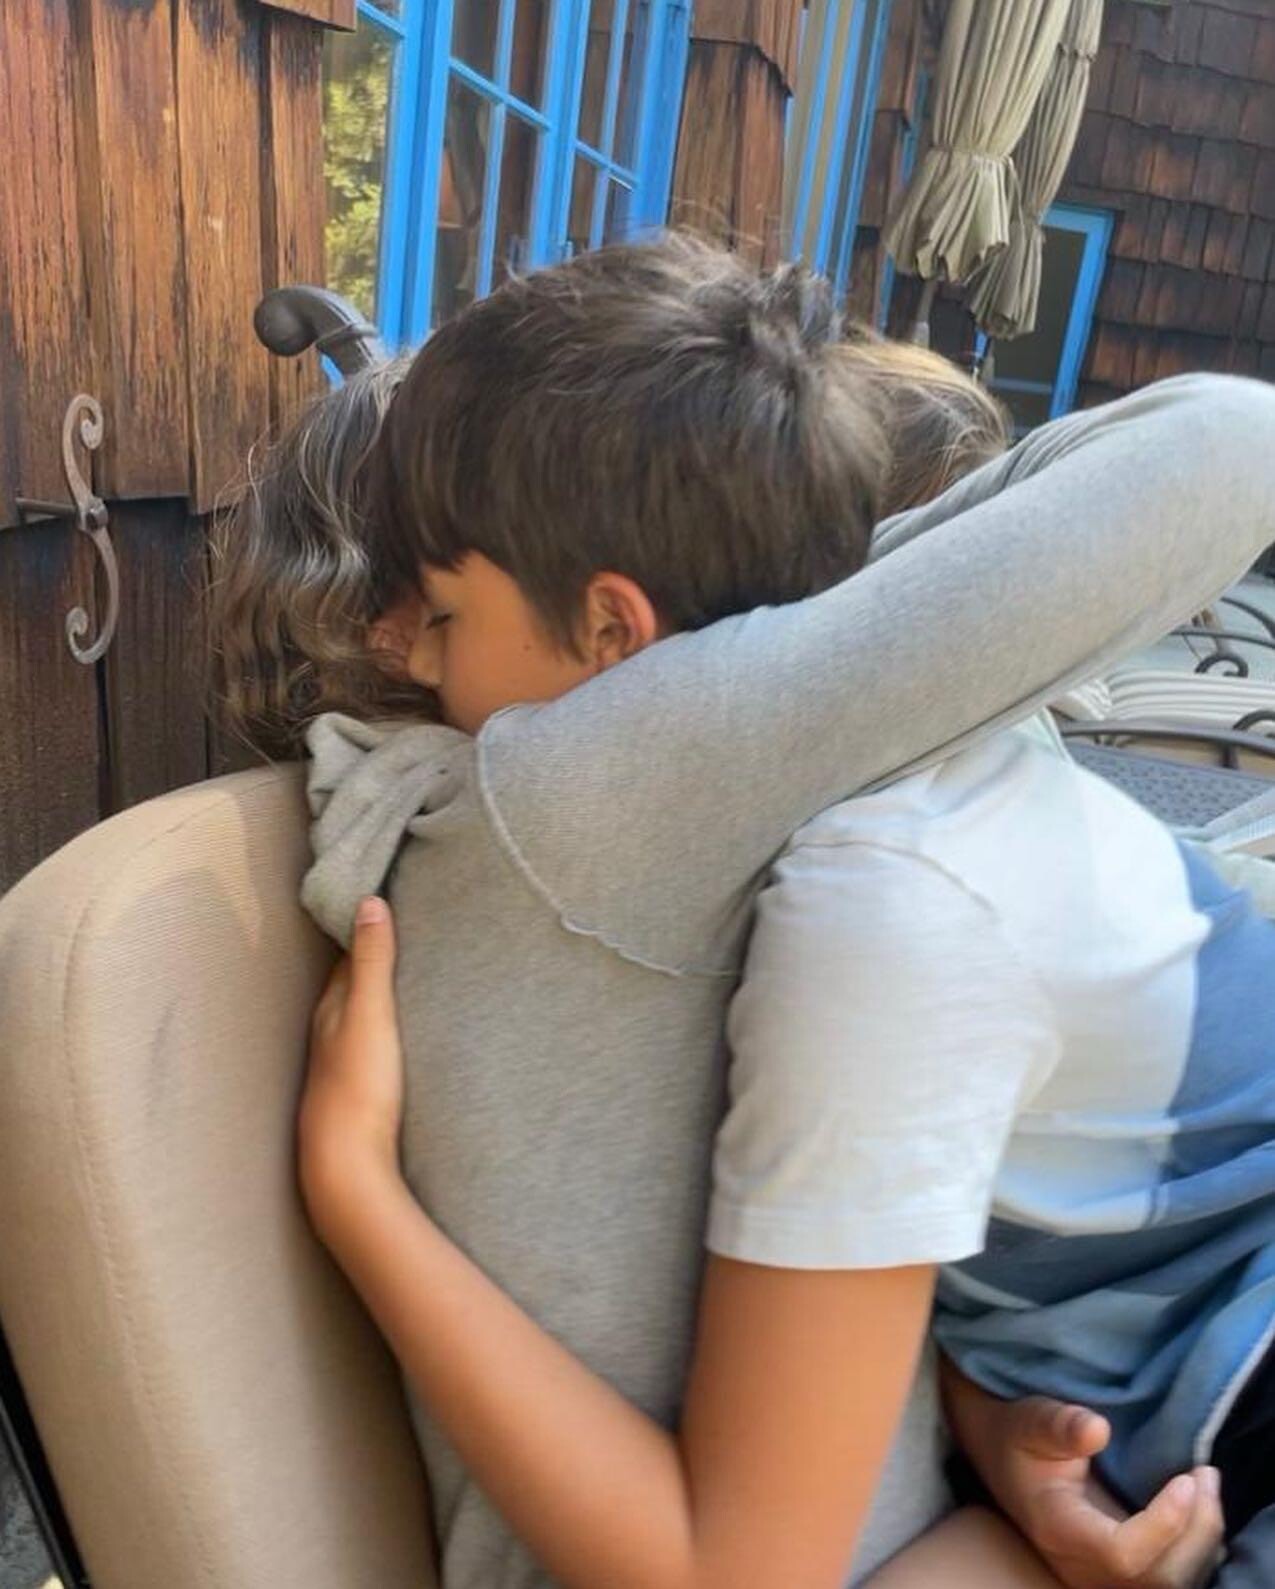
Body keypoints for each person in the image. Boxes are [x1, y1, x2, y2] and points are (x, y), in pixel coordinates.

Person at [211, 237, 1275, 1588]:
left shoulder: (678, 792)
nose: (400, 646)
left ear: (619, 635)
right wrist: (811, 586)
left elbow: (1235, 441)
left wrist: (355, 1188)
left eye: (442, 611)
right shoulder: (748, 812)